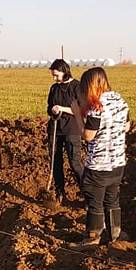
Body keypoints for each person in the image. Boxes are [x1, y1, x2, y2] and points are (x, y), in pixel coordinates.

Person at [70, 67, 130, 247]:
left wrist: (77, 115)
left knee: (94, 201)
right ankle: (115, 234)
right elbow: (126, 126)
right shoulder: (120, 100)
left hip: (99, 165)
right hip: (118, 163)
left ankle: (92, 237)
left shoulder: (97, 107)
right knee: (112, 198)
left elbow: (88, 136)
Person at [46, 59, 83, 201]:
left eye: (56, 75)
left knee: (75, 163)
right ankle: (60, 192)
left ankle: (87, 193)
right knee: (56, 162)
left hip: (72, 129)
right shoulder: (54, 88)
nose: (55, 78)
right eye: (53, 76)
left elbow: (80, 110)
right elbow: (49, 107)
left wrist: (62, 108)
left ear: (64, 72)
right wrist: (53, 110)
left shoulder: (77, 87)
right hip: (55, 128)